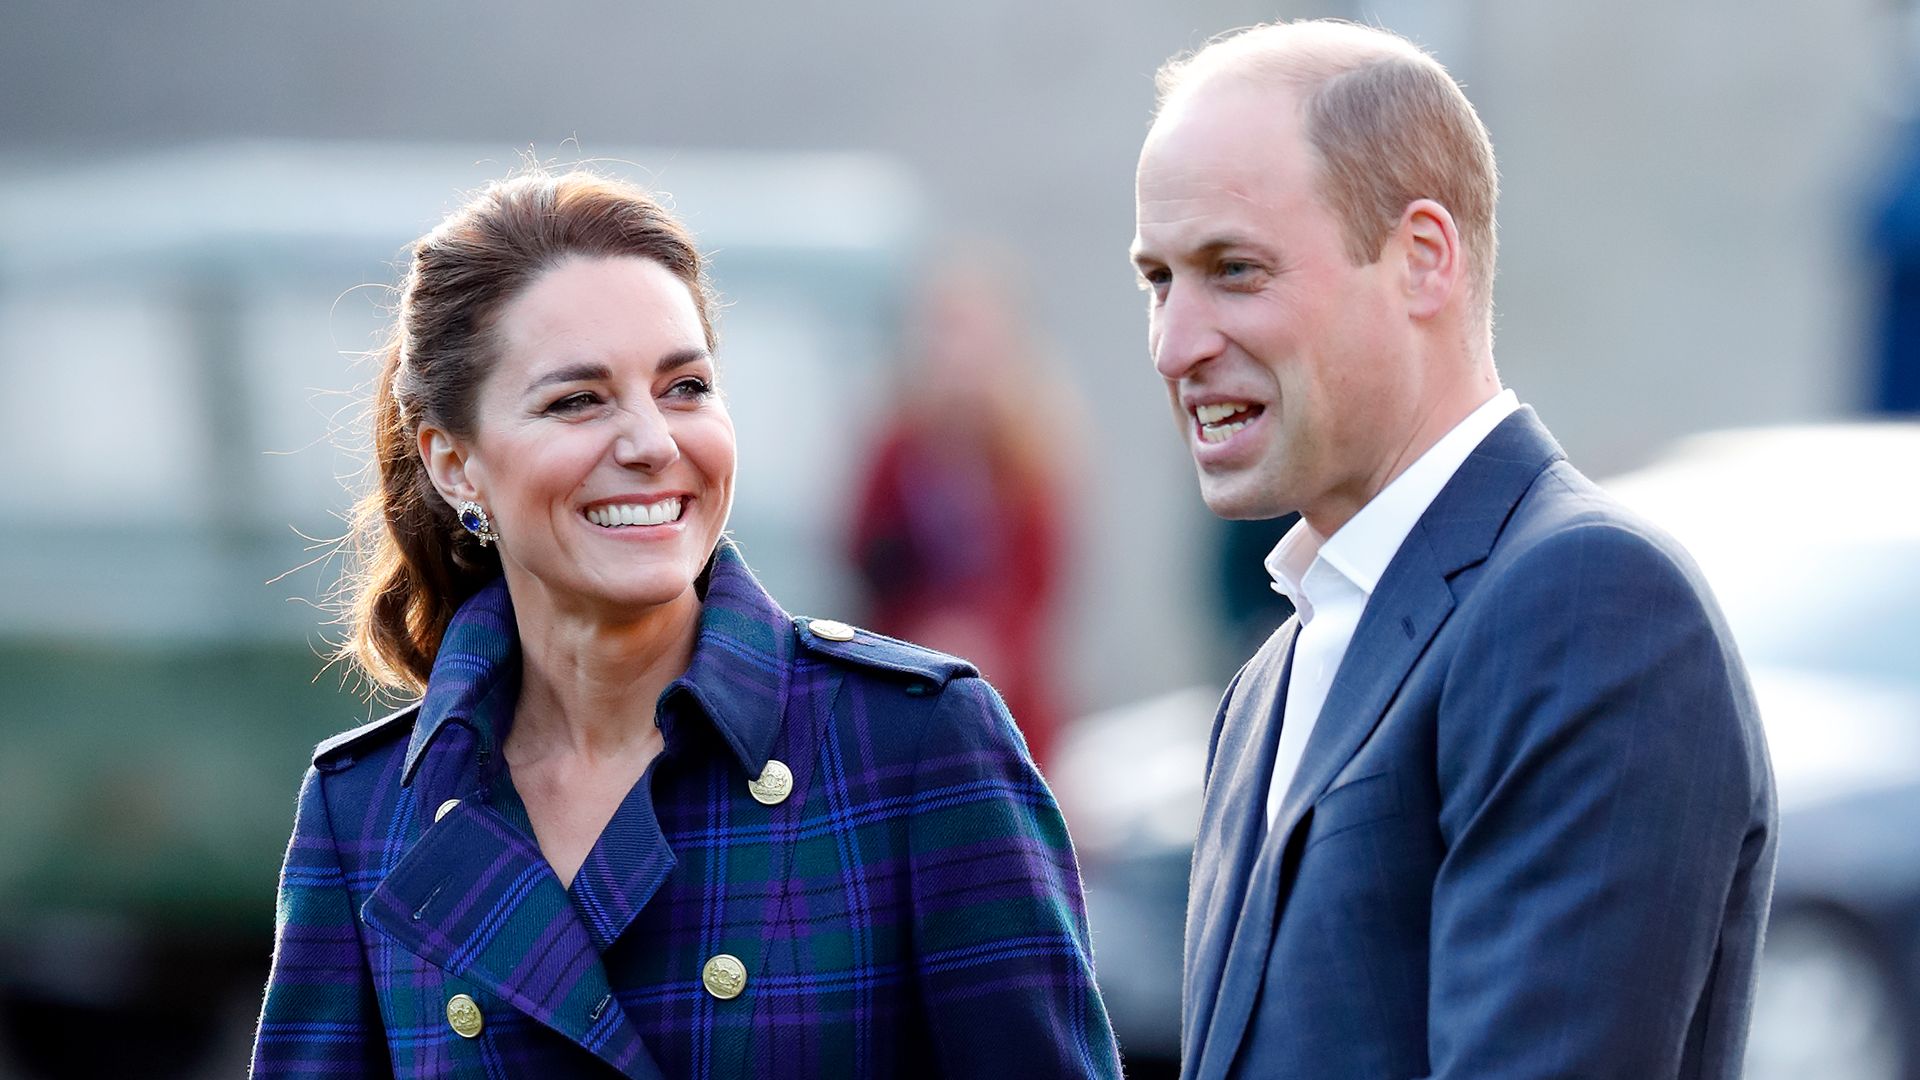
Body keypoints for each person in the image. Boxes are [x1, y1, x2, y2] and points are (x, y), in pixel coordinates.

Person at [251, 169, 1122, 1078]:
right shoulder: (365, 814)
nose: (652, 443)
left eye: (686, 387)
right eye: (577, 400)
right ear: (456, 465)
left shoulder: (913, 744)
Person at [1128, 21, 1776, 1080]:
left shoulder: (1589, 606)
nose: (1174, 342)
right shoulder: (1270, 681)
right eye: (1158, 279)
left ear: (1423, 259)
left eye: (1233, 270)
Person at [850, 259, 1075, 768]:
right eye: (946, 335)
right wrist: (924, 632)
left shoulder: (1031, 456)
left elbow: (1038, 587)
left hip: (1005, 694)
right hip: (906, 680)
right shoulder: (897, 448)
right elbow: (866, 561)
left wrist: (983, 638)